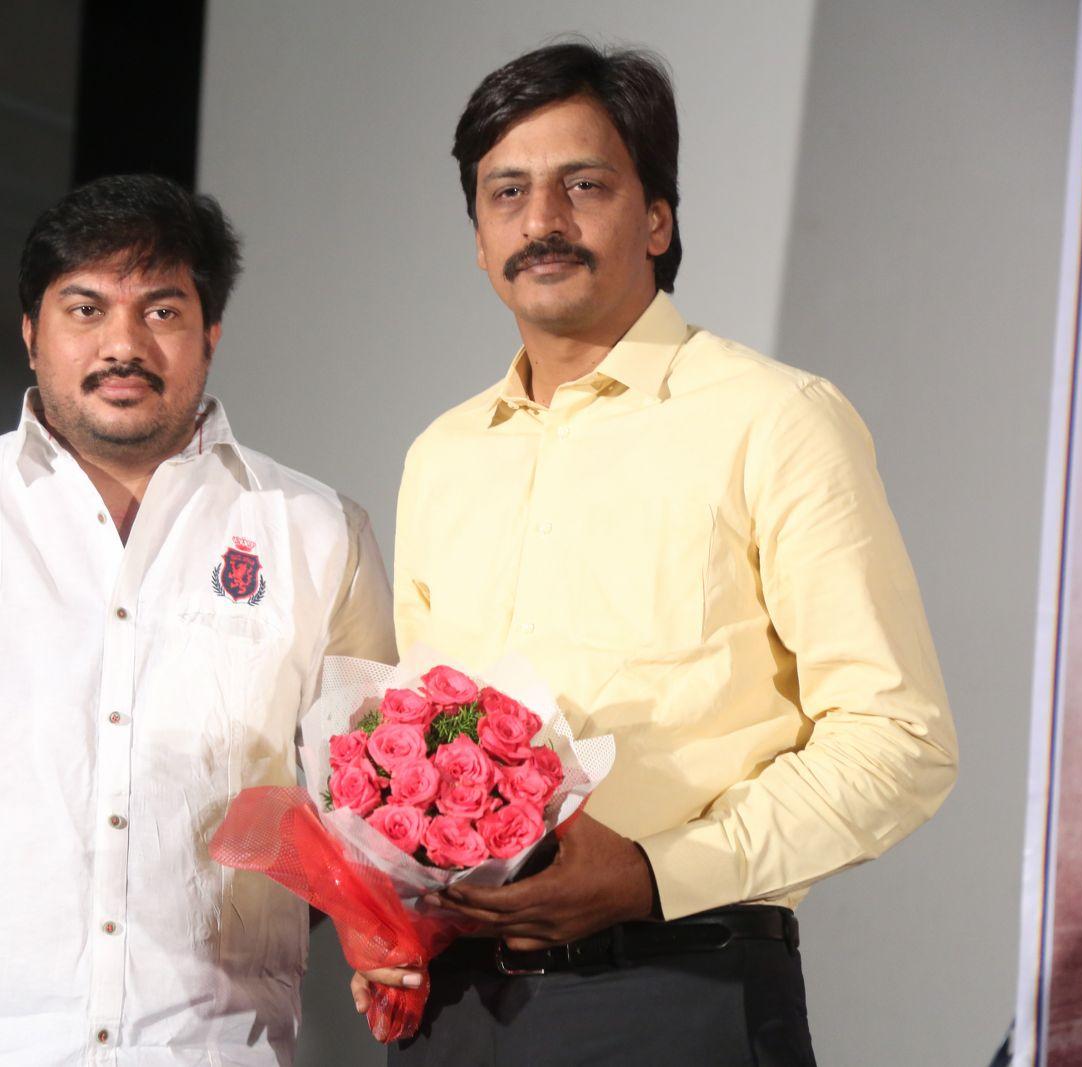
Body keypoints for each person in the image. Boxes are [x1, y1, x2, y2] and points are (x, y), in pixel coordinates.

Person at [352, 41, 958, 1065]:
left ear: (657, 219)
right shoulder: (442, 455)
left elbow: (899, 740)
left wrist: (653, 872)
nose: (541, 221)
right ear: (479, 240)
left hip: (679, 990)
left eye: (583, 184)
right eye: (507, 192)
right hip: (457, 1009)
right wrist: (390, 909)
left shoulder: (773, 419)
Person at [0, 174, 397, 1067]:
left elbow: (369, 811)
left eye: (162, 311)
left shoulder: (318, 531)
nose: (123, 345)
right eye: (85, 309)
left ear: (212, 333)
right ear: (31, 333)